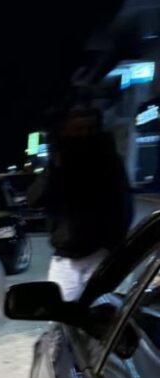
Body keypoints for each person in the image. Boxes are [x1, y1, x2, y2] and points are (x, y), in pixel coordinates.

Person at [28, 109, 133, 302]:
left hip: (101, 255)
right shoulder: (59, 163)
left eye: (90, 129)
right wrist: (55, 167)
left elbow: (124, 207)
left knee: (104, 313)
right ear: (67, 131)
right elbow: (34, 199)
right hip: (66, 259)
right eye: (79, 129)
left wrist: (110, 245)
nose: (85, 134)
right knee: (60, 314)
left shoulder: (110, 162)